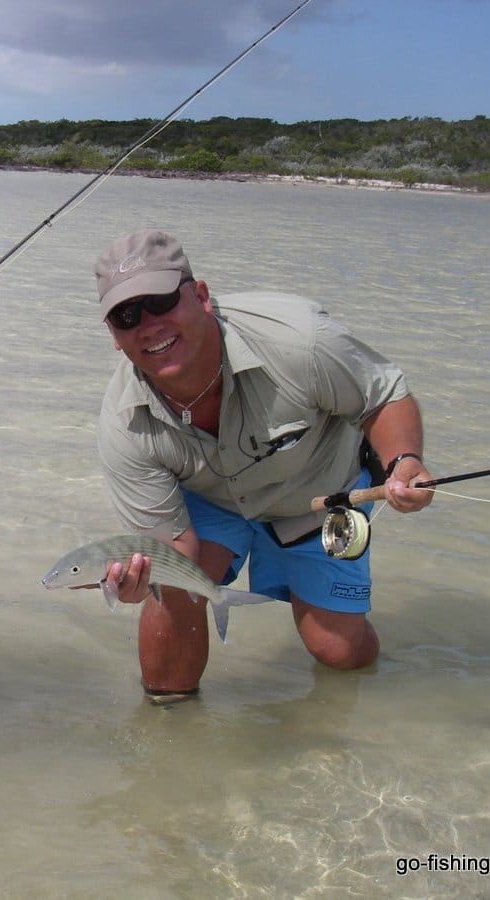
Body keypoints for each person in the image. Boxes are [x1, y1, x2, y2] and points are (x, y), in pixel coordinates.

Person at [89, 229, 434, 704]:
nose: (148, 325)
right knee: (172, 590)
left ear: (202, 296)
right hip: (210, 500)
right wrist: (148, 584)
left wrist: (404, 461)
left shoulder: (300, 340)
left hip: (316, 490)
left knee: (338, 652)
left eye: (162, 301)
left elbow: (383, 395)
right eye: (126, 315)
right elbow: (175, 551)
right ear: (113, 335)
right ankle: (171, 734)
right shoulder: (123, 427)